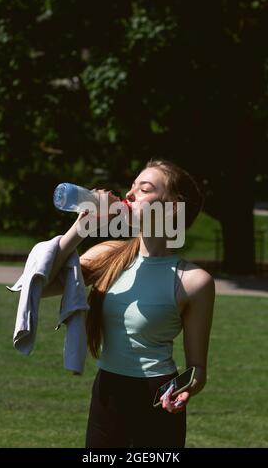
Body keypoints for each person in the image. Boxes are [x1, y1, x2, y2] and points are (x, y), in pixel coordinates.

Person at [43, 158, 215, 448]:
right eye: (132, 186)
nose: (130, 194)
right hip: (107, 395)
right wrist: (80, 228)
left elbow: (197, 368)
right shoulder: (108, 255)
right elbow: (40, 284)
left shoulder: (195, 281)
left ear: (172, 207)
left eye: (144, 189)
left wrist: (184, 389)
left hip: (158, 400)